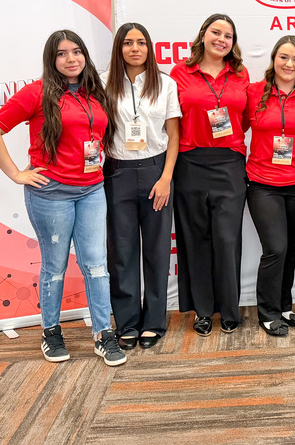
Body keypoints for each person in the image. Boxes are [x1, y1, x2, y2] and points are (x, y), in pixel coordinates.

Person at [0, 29, 126, 365]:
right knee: (55, 266)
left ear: (85, 55)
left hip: (92, 190)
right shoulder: (37, 92)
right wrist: (16, 174)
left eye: (76, 51)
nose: (71, 59)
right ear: (51, 59)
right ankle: (51, 331)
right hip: (51, 195)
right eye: (62, 53)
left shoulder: (94, 92)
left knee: (97, 266)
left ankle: (104, 334)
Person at [169, 14, 250, 337]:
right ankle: (202, 311)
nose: (221, 39)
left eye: (228, 36)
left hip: (229, 163)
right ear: (203, 34)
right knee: (196, 239)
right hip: (190, 163)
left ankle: (229, 309)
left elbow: (244, 118)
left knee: (227, 240)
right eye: (216, 32)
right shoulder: (180, 73)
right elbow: (172, 120)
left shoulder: (240, 74)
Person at [101, 23, 181, 349]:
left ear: (150, 47)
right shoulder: (103, 83)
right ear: (119, 48)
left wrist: (166, 178)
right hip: (116, 172)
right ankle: (128, 323)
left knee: (157, 250)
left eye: (141, 42)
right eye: (128, 43)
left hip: (155, 172)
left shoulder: (165, 84)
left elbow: (174, 135)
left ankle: (154, 322)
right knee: (121, 252)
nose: (135, 48)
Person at [246, 35, 295, 337]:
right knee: (275, 248)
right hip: (262, 183)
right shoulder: (253, 92)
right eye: (284, 57)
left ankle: (285, 306)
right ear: (274, 59)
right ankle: (268, 313)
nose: (289, 64)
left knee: (289, 250)